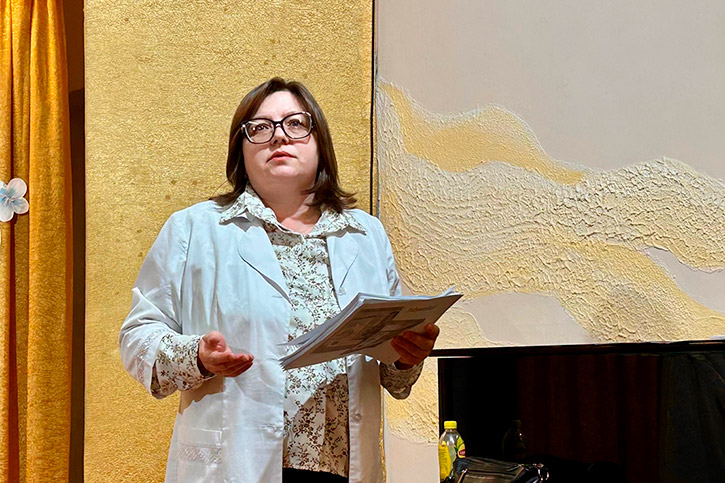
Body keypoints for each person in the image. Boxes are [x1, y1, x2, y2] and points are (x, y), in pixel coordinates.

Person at [119, 78, 439, 483]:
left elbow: (390, 369)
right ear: (241, 148)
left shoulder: (366, 234)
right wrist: (196, 356)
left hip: (343, 470)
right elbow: (137, 337)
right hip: (236, 465)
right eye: (260, 127)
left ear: (319, 141)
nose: (278, 136)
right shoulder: (194, 229)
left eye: (295, 124)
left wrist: (406, 356)